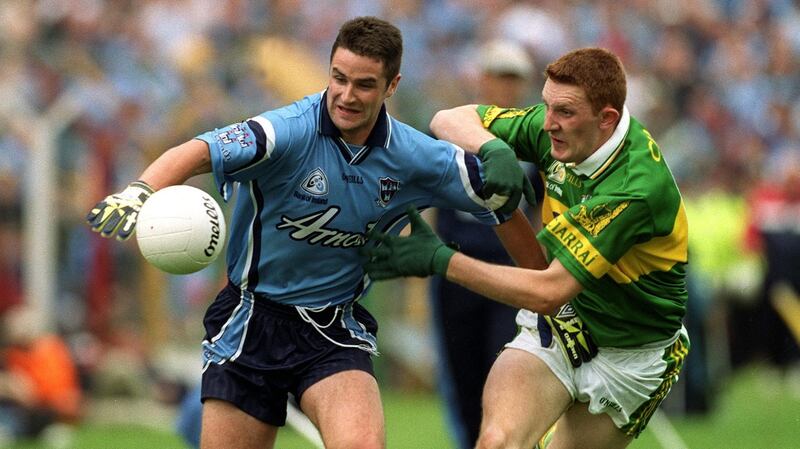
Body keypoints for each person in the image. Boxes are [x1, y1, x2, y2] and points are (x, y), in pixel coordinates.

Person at [85, 16, 535, 449]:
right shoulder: (287, 131)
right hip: (251, 321)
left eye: (364, 85)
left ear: (391, 86)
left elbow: (501, 200)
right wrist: (141, 190)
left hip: (333, 327)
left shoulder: (415, 156)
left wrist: (546, 289)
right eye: (338, 78)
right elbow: (199, 150)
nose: (346, 95)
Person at [364, 47, 690, 449]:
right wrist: (494, 152)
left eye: (564, 113)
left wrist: (440, 260)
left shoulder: (634, 189)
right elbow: (447, 119)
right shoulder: (560, 125)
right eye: (546, 105)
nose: (548, 123)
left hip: (630, 353)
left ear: (606, 119)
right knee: (496, 442)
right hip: (566, 319)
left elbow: (547, 290)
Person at [430, 39, 542, 449]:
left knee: (504, 366)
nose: (506, 86)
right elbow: (426, 198)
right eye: (499, 76)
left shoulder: (534, 138)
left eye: (514, 78)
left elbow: (544, 209)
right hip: (456, 268)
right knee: (463, 374)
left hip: (509, 270)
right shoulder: (451, 129)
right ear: (482, 78)